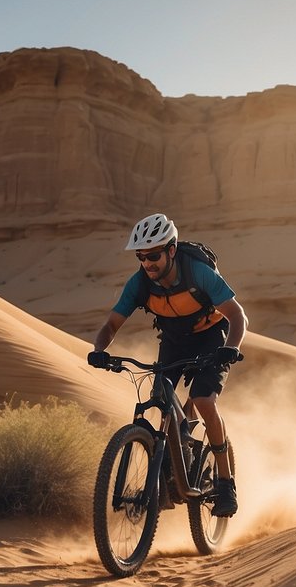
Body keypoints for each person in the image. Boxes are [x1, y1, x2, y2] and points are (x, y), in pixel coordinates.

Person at [88, 213, 248, 517]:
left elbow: (238, 316)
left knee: (202, 400)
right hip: (174, 341)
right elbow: (111, 324)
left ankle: (226, 483)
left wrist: (231, 348)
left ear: (171, 250)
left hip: (211, 338)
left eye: (154, 255)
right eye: (141, 256)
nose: (147, 263)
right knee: (161, 398)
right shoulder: (140, 283)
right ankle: (164, 477)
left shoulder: (198, 274)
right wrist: (99, 350)